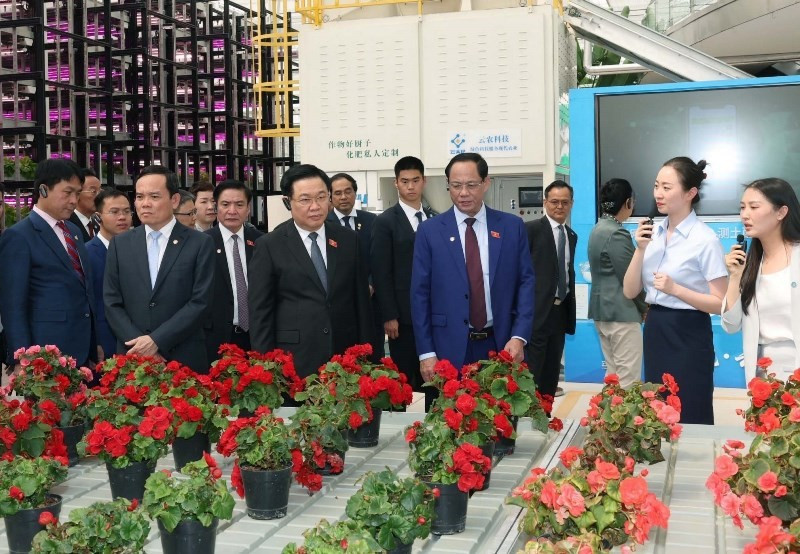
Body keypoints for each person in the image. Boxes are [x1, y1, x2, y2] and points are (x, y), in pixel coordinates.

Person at [411, 152, 535, 410]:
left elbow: (526, 283)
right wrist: (426, 353)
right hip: (447, 348)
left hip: (500, 344)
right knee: (448, 423)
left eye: (471, 185)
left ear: (486, 183)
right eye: (456, 185)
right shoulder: (430, 231)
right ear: (447, 185)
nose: (463, 193)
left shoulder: (511, 227)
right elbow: (419, 294)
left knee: (498, 421)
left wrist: (519, 336)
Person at [623, 157, 727, 425]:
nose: (658, 193)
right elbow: (630, 291)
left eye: (667, 187)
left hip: (689, 333)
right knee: (657, 410)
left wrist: (676, 289)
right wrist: (640, 249)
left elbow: (721, 303)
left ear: (690, 193)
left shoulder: (705, 240)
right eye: (656, 185)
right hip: (656, 328)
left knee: (690, 408)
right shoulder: (653, 233)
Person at [248, 164, 372, 379]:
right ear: (288, 202)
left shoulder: (348, 239)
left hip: (344, 357)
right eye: (305, 199)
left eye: (321, 197)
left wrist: (365, 355)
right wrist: (266, 366)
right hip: (294, 359)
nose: (315, 206)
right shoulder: (270, 245)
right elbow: (260, 312)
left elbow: (361, 302)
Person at [104, 165, 215, 372]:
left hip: (183, 358)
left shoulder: (200, 243)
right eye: (139, 197)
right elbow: (112, 302)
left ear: (174, 200)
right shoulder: (120, 244)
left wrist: (157, 341)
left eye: (154, 197)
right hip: (133, 358)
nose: (145, 204)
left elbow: (201, 302)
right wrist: (141, 347)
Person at [0, 158, 99, 372]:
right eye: (67, 192)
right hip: (44, 355)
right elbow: (13, 305)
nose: (73, 201)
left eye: (77, 193)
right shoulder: (19, 236)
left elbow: (84, 290)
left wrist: (94, 343)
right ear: (43, 190)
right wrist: (21, 357)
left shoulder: (73, 231)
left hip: (82, 350)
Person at [722, 178, 800, 382]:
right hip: (762, 375)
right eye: (742, 207)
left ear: (781, 212)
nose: (745, 215)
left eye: (754, 207)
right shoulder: (750, 263)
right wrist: (735, 277)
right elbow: (731, 325)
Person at [372, 156, 435, 392]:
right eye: (405, 181)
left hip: (433, 313)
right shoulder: (385, 222)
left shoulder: (434, 218)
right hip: (402, 317)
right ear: (396, 183)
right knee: (404, 381)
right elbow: (381, 271)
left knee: (434, 379)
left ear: (424, 181)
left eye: (415, 180)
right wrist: (389, 315)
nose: (410, 187)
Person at [587, 179, 648, 388]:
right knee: (628, 380)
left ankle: (608, 410)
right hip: (622, 313)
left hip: (602, 312)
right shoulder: (617, 233)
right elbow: (631, 277)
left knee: (614, 377)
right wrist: (645, 307)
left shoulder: (598, 228)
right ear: (628, 202)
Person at [527, 180, 578, 399]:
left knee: (551, 373)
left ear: (571, 204)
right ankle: (528, 416)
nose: (560, 206)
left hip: (560, 312)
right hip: (536, 314)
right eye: (554, 201)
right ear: (545, 202)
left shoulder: (571, 235)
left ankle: (546, 415)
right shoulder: (530, 230)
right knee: (532, 374)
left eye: (565, 202)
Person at [205, 180, 263, 363]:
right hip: (216, 338)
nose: (232, 211)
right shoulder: (202, 243)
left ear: (248, 209)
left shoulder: (262, 242)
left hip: (256, 336)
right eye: (225, 204)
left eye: (239, 204)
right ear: (216, 207)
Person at [326, 172, 383, 360]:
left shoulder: (372, 221)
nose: (343, 197)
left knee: (372, 355)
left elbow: (379, 258)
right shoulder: (324, 224)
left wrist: (371, 283)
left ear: (355, 193)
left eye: (348, 191)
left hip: (370, 302)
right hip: (339, 305)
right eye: (338, 193)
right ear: (330, 197)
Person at [85, 187, 133, 362]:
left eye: (126, 211)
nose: (122, 217)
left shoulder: (139, 251)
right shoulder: (87, 253)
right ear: (98, 217)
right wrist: (94, 343)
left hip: (139, 342)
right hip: (104, 343)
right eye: (114, 212)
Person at [68, 168, 101, 241]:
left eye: (100, 191)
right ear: (77, 193)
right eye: (93, 191)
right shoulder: (67, 223)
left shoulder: (99, 223)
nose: (99, 196)